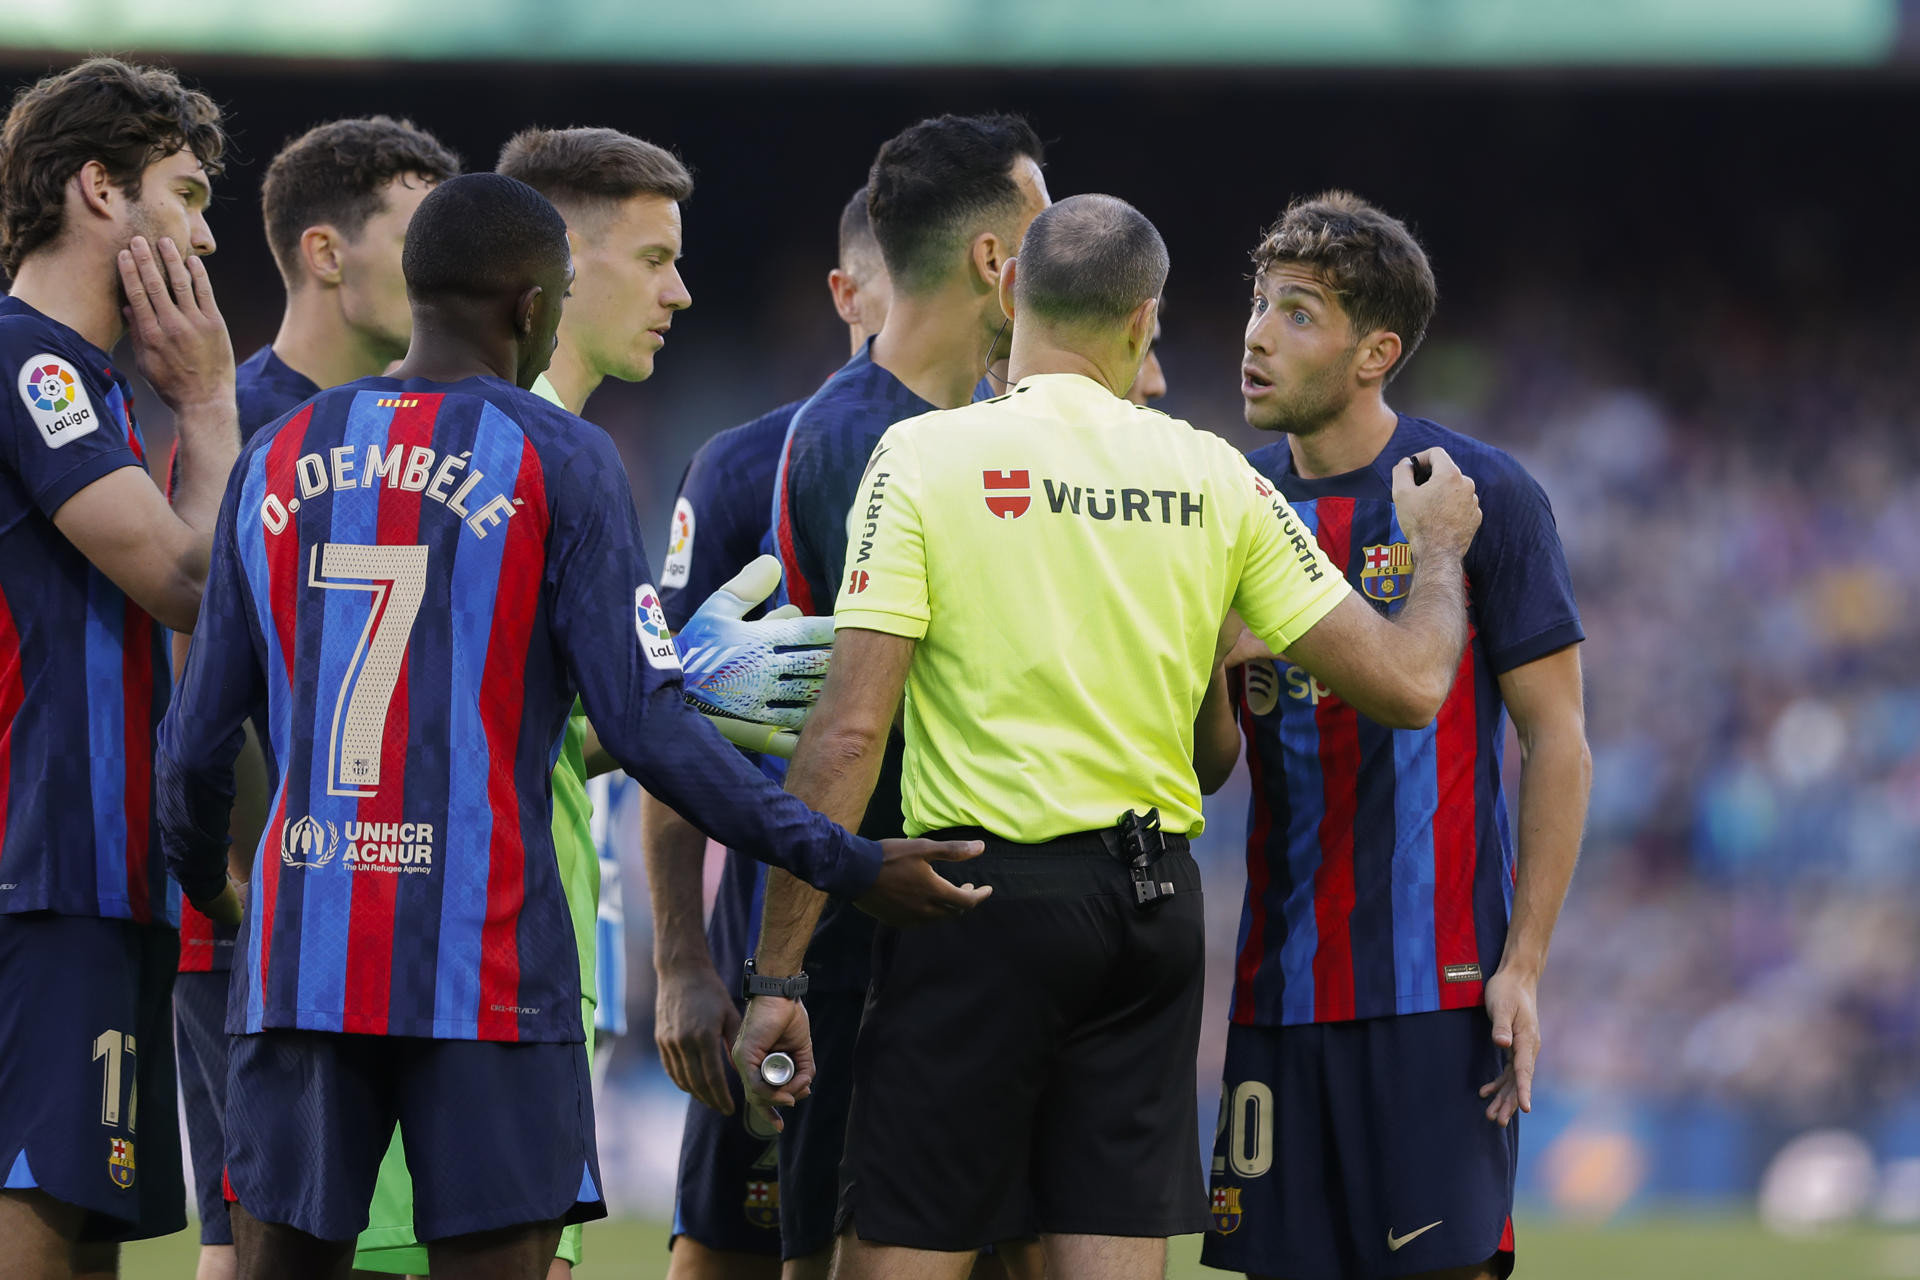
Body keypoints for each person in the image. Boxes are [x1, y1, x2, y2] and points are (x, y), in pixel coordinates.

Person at [153, 172, 983, 1280]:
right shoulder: (560, 453)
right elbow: (646, 726)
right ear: (534, 308)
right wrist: (841, 854)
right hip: (487, 968)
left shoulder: (278, 453)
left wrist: (217, 886)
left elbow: (196, 741)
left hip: (305, 963)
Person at [733, 194, 1486, 1280]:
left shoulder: (924, 457)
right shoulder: (1219, 476)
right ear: (1144, 322)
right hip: (1148, 914)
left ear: (1007, 293)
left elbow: (848, 733)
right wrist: (1442, 550)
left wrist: (779, 975)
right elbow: (1414, 684)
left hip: (975, 907)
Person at [1198, 192, 1591, 1280]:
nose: (1258, 332)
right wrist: (1209, 673)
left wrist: (1526, 965)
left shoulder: (1477, 496)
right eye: (1258, 303)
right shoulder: (1229, 505)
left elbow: (1558, 740)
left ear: (1377, 351)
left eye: (1299, 312)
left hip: (1440, 988)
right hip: (1279, 986)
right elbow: (1207, 769)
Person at [342, 122, 700, 1280]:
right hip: (453, 963)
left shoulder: (571, 445)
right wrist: (692, 700)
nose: (680, 291)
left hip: (546, 947)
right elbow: (429, 723)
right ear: (561, 267)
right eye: (653, 258)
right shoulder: (493, 449)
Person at [164, 113, 459, 1280]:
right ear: (328, 253)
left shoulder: (430, 427)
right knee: (255, 1243)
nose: (441, 271)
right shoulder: (229, 426)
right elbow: (199, 679)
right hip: (257, 919)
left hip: (389, 902)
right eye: (415, 235)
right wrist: (248, 886)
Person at [756, 113, 1050, 1280]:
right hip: (875, 941)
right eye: (1042, 229)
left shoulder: (986, 429)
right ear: (992, 259)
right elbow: (875, 710)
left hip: (979, 928)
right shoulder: (860, 440)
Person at [0, 56, 237, 1280]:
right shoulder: (28, 363)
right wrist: (208, 404)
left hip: (101, 873)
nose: (204, 234)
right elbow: (191, 581)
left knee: (82, 1241)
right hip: (46, 871)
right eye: (188, 196)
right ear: (100, 188)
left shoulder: (85, 385)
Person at [651, 183, 891, 1280]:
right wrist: (684, 959)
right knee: (731, 1249)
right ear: (847, 292)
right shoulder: (750, 467)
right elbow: (670, 719)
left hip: (967, 962)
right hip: (776, 958)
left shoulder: (1015, 465)